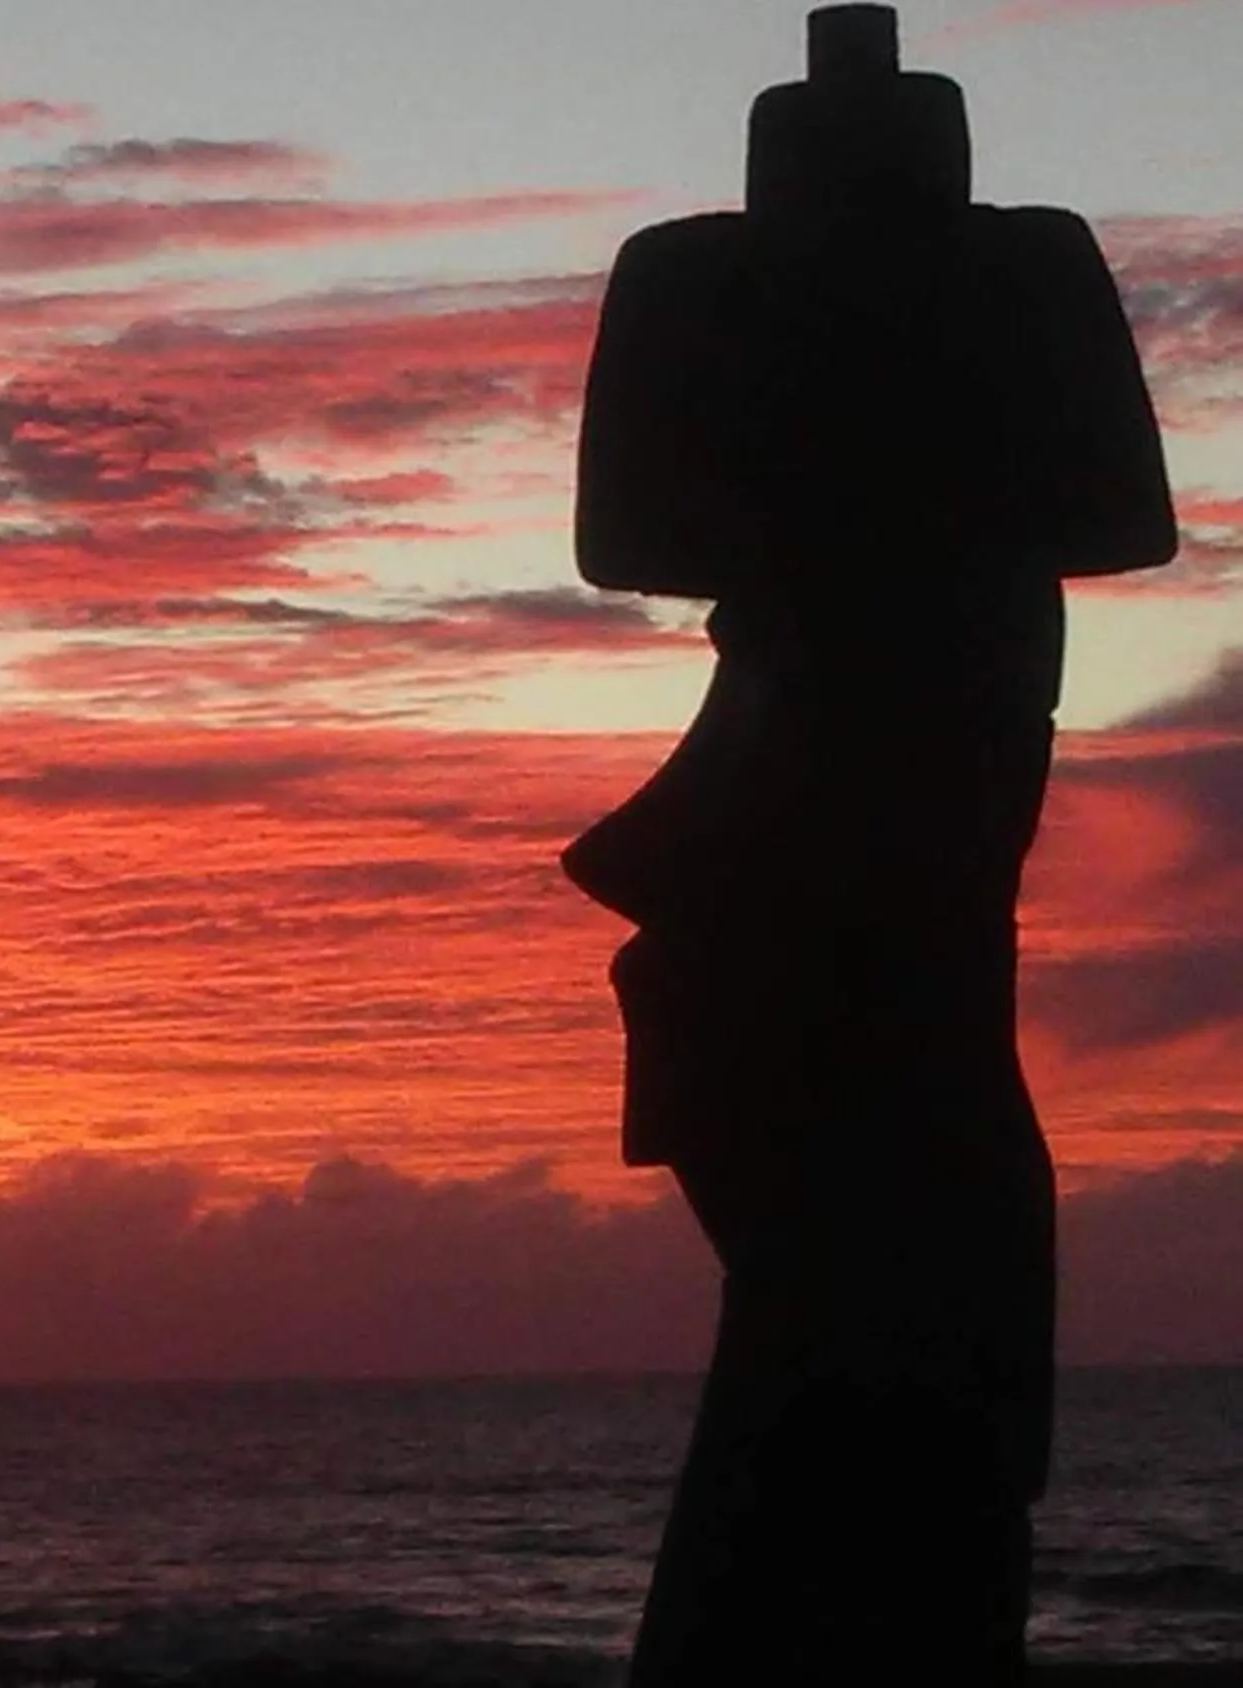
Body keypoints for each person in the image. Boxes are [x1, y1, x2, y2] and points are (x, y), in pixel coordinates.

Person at [561, 8, 1175, 1681]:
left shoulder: (1020, 267)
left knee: (922, 1176)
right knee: (859, 1190)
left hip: (939, 711)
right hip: (821, 723)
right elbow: (628, 531)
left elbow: (1124, 514)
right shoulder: (697, 277)